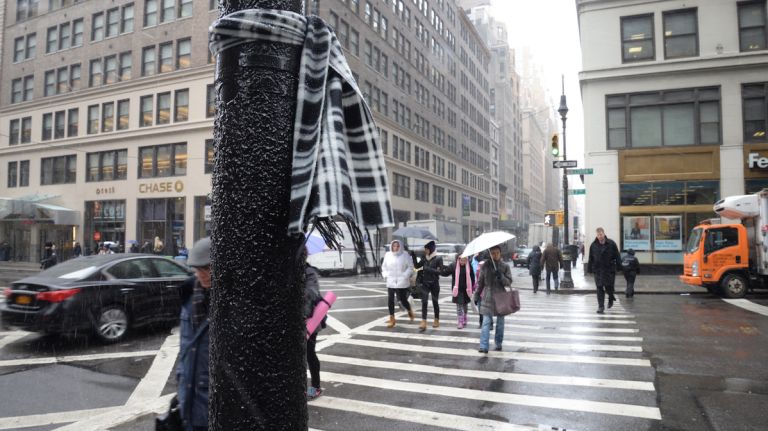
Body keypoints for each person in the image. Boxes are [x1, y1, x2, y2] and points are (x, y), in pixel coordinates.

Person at [177, 237, 212, 431]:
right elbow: (186, 351)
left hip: (212, 406)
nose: (203, 274)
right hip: (189, 400)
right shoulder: (189, 301)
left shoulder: (232, 306)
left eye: (208, 268)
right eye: (199, 269)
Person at [472, 245, 513, 353]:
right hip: (488, 297)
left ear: (500, 253)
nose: (495, 255)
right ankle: (483, 346)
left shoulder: (505, 266)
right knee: (486, 322)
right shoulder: (485, 266)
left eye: (497, 253)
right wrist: (476, 295)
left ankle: (498, 343)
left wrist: (501, 276)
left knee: (500, 323)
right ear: (490, 254)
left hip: (501, 297)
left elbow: (509, 282)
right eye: (492, 253)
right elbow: (480, 283)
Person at [303, 248, 324, 401]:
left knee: (310, 353)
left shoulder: (309, 272)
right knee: (298, 356)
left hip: (310, 320)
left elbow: (312, 292)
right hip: (294, 319)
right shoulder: (288, 271)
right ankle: (300, 386)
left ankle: (316, 386)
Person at [382, 239, 415, 328]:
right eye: (394, 246)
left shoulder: (405, 255)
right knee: (390, 300)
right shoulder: (388, 255)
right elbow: (384, 267)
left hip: (402, 282)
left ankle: (409, 310)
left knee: (403, 300)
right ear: (391, 246)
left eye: (397, 246)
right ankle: (392, 318)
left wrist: (405, 275)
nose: (395, 248)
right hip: (391, 281)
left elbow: (411, 267)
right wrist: (385, 275)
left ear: (400, 246)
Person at [587, 227, 621, 314]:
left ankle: (611, 297)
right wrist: (589, 269)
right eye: (598, 235)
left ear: (604, 233)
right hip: (598, 270)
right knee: (599, 288)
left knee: (609, 287)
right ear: (596, 235)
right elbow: (591, 257)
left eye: (601, 234)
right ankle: (601, 307)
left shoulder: (611, 243)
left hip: (609, 269)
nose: (599, 236)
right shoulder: (593, 245)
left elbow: (617, 255)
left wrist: (619, 267)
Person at [413, 240, 443, 332]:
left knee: (435, 302)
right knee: (424, 302)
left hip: (434, 283)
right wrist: (413, 256)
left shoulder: (438, 258)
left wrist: (428, 268)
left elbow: (439, 272)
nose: (425, 250)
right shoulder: (424, 257)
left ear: (431, 249)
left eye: (426, 249)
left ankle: (436, 319)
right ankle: (424, 321)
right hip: (425, 283)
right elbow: (417, 267)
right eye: (425, 249)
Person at [442, 253, 475, 329]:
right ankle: (460, 321)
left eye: (465, 259)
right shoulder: (454, 266)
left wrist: (472, 286)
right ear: (458, 259)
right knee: (459, 306)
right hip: (458, 289)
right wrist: (439, 269)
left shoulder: (469, 265)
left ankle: (465, 316)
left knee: (465, 305)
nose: (463, 261)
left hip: (467, 289)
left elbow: (472, 276)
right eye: (461, 259)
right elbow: (445, 272)